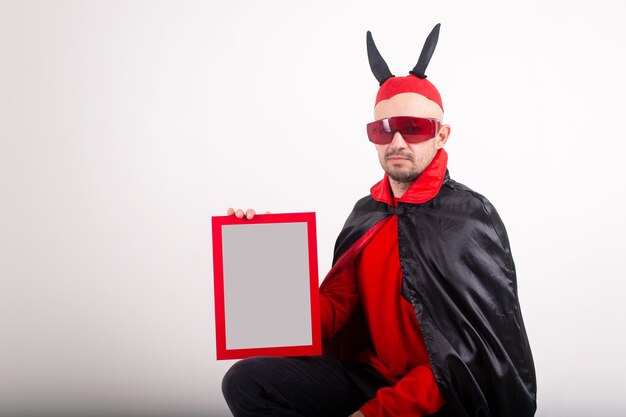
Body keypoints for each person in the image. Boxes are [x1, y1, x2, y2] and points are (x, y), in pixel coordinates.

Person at [221, 24, 537, 417]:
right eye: (383, 129)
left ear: (442, 135)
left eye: (415, 127)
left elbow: (468, 359)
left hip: (443, 396)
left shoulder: (470, 217)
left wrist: (375, 414)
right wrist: (256, 254)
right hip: (370, 378)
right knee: (246, 382)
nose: (398, 142)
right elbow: (335, 310)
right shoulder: (366, 212)